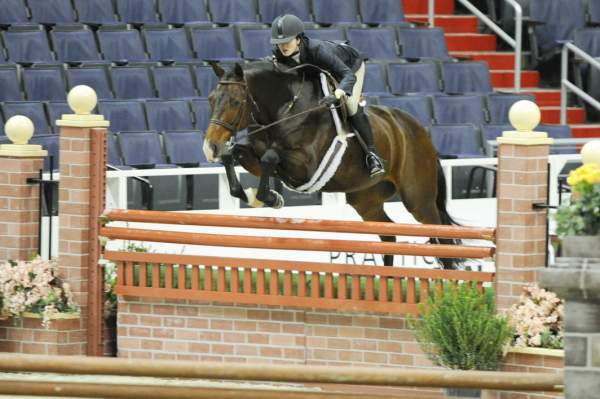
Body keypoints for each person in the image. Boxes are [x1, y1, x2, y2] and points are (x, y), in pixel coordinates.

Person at [270, 14, 385, 178]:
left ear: (299, 39)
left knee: (350, 104)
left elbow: (347, 76)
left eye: (287, 41)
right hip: (321, 72)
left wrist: (338, 93)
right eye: (279, 43)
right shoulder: (279, 53)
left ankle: (372, 155)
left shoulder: (316, 50)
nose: (283, 46)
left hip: (349, 67)